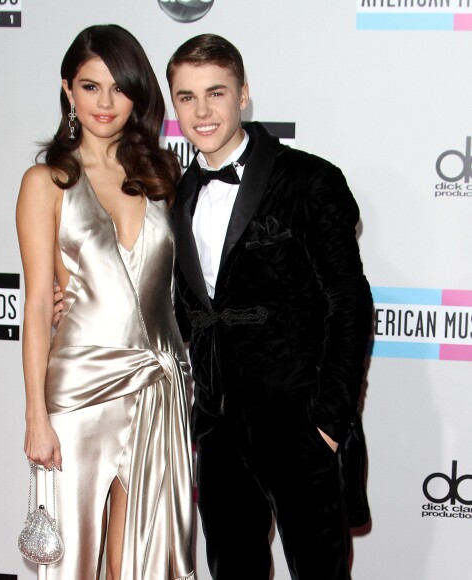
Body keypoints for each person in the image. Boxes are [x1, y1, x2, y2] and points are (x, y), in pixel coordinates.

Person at [167, 34, 373, 579]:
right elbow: (184, 308)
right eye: (186, 97)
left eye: (216, 92)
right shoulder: (180, 194)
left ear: (243, 95)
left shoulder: (307, 180)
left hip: (299, 420)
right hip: (218, 429)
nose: (202, 111)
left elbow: (348, 302)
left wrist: (328, 421)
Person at [17, 25, 195, 580]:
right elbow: (39, 302)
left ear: (138, 96)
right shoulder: (46, 181)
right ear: (68, 90)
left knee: (140, 561)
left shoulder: (165, 178)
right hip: (80, 391)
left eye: (119, 89)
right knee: (72, 561)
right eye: (91, 87)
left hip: (159, 386)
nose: (105, 103)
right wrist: (35, 416)